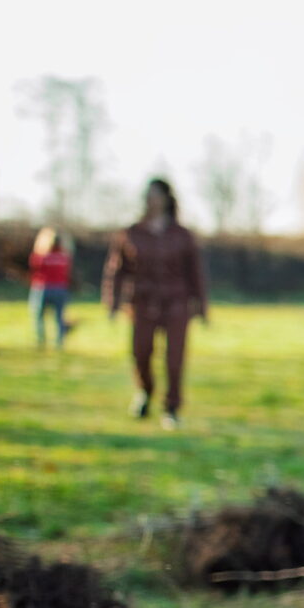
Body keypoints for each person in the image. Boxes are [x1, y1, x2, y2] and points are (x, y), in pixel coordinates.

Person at [103, 178, 208, 429]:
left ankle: (171, 408)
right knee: (141, 353)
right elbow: (116, 270)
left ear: (167, 199)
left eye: (156, 195)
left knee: (174, 358)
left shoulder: (182, 236)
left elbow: (195, 273)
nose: (152, 200)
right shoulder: (131, 233)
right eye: (148, 195)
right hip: (142, 302)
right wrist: (112, 301)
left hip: (176, 302)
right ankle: (145, 391)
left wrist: (201, 306)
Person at [27, 226, 73, 349]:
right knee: (59, 317)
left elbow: (33, 268)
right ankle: (59, 342)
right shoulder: (64, 257)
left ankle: (41, 341)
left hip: (43, 288)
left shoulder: (41, 256)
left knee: (39, 316)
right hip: (60, 289)